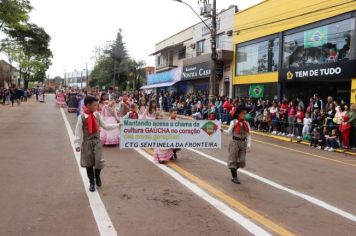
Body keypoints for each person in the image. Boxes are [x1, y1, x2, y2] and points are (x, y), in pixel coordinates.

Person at [74, 96, 120, 192]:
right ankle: (91, 182)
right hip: (87, 143)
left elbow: (105, 126)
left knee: (98, 162)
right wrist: (77, 144)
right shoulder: (81, 117)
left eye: (97, 104)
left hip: (97, 142)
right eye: (95, 105)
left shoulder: (97, 115)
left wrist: (117, 125)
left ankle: (97, 176)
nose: (97, 106)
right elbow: (77, 131)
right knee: (89, 164)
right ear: (88, 105)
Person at [226, 105, 251, 184]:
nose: (245, 115)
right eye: (243, 113)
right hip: (234, 142)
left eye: (245, 113)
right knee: (233, 159)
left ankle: (232, 168)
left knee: (242, 161)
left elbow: (249, 135)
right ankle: (234, 177)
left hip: (243, 143)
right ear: (238, 114)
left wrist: (249, 145)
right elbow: (229, 132)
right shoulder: (233, 122)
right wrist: (222, 131)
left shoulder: (246, 123)